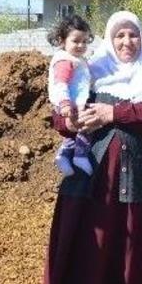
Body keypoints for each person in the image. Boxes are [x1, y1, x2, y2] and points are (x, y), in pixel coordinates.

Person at [42, 11, 142, 284]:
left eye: (133, 35)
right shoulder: (90, 71)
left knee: (129, 240)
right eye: (119, 36)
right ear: (110, 40)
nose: (127, 42)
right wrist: (71, 122)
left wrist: (113, 112)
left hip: (135, 176)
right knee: (93, 242)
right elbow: (61, 116)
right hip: (93, 178)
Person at [46, 14, 94, 176]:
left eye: (85, 41)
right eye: (75, 41)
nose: (81, 45)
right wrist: (65, 103)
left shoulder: (77, 59)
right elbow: (61, 83)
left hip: (74, 102)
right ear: (62, 40)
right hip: (68, 103)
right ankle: (80, 156)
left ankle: (63, 155)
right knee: (88, 126)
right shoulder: (65, 61)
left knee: (75, 134)